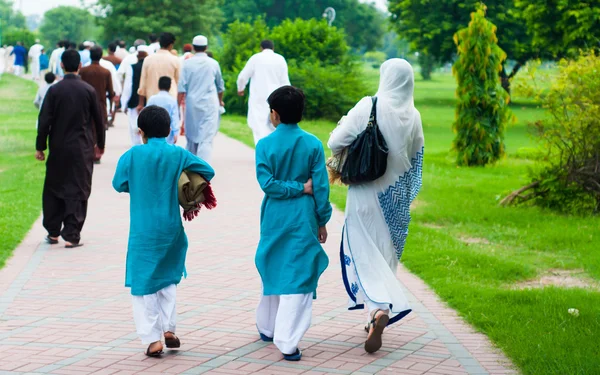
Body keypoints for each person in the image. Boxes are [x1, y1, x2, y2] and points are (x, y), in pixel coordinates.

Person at [327, 59, 424, 354]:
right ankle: (377, 311)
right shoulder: (414, 114)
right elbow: (416, 156)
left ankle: (377, 310)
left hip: (366, 192)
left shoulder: (369, 105)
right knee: (385, 254)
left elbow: (335, 141)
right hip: (397, 196)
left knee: (362, 250)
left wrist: (346, 125)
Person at [112, 105, 215, 357]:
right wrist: (182, 180)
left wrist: (137, 185)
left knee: (143, 283)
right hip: (171, 230)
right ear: (170, 130)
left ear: (141, 132)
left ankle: (152, 339)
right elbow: (208, 171)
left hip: (142, 232)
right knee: (168, 279)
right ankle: (169, 329)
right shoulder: (177, 154)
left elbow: (118, 183)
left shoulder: (132, 155)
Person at [254, 86, 332, 361]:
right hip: (303, 217)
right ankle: (287, 340)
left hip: (274, 215)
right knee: (298, 275)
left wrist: (290, 187)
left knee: (273, 266)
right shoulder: (312, 144)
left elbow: (268, 185)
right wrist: (321, 218)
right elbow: (320, 187)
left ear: (274, 114)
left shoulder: (264, 145)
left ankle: (267, 326)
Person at [36, 49, 105, 248]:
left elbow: (44, 121)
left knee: (54, 187)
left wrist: (41, 147)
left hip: (58, 147)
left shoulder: (54, 90)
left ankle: (53, 231)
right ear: (79, 66)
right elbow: (99, 121)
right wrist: (100, 145)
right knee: (78, 188)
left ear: (62, 66)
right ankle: (72, 234)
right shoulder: (88, 91)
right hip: (82, 147)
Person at [178, 35, 224, 162]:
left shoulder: (187, 64)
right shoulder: (213, 63)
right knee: (206, 139)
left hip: (192, 104)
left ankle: (192, 168)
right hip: (210, 104)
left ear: (193, 48)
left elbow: (181, 88)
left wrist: (176, 108)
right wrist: (220, 102)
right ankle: (202, 170)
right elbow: (220, 86)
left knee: (192, 138)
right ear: (206, 47)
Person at [237, 40, 290, 145]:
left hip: (258, 98)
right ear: (273, 48)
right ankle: (273, 152)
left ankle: (262, 152)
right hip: (276, 98)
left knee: (259, 127)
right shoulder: (280, 59)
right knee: (275, 126)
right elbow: (285, 81)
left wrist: (240, 88)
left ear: (261, 48)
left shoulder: (255, 58)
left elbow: (242, 77)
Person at [137, 32, 180, 112]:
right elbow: (178, 82)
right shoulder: (175, 60)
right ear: (171, 45)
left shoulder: (148, 59)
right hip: (170, 99)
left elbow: (142, 83)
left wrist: (140, 103)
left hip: (152, 100)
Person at [79, 46, 114, 134]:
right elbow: (110, 92)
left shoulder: (83, 71)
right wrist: (111, 108)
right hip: (100, 105)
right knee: (100, 132)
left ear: (90, 56)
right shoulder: (105, 72)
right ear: (101, 55)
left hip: (85, 105)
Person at [121, 45, 150, 145]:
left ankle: (137, 147)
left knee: (134, 128)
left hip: (134, 100)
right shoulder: (150, 67)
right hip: (148, 100)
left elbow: (128, 86)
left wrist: (124, 103)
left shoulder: (132, 67)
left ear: (137, 55)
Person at [147, 76, 180, 144]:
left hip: (153, 131)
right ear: (170, 87)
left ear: (158, 86)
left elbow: (146, 115)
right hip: (167, 132)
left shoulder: (152, 99)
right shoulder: (172, 101)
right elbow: (174, 118)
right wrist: (175, 133)